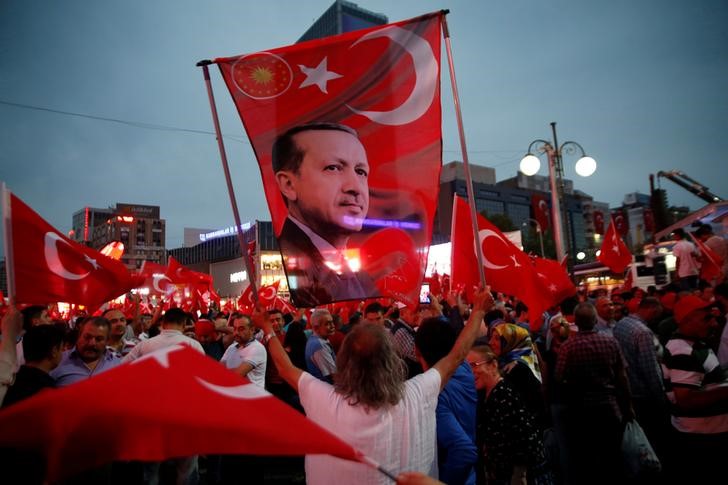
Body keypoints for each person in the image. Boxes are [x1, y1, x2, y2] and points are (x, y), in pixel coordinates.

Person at [256, 287, 494, 484]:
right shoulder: (419, 393)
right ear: (393, 362)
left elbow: (285, 368)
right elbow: (456, 355)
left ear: (344, 363)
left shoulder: (324, 398)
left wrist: (267, 329)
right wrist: (478, 312)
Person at [272, 122, 378, 306]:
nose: (354, 187)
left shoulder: (362, 279)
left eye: (361, 171)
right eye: (333, 168)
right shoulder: (291, 268)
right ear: (288, 184)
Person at [555, 302, 634, 485]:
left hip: (580, 408)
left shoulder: (568, 347)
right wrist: (628, 405)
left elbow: (559, 377)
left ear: (576, 321)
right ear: (594, 320)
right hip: (609, 405)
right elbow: (622, 376)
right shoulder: (610, 341)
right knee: (612, 451)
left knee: (587, 453)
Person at [661, 295, 728, 483]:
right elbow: (686, 399)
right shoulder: (682, 350)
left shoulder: (695, 344)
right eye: (707, 318)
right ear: (686, 321)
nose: (714, 323)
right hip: (701, 439)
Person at [467, 345, 552, 485]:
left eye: (474, 365)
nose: (470, 372)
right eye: (467, 367)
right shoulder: (487, 394)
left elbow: (524, 444)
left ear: (493, 365)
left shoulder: (504, 395)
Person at [415, 318, 477, 485]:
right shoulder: (464, 367)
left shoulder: (436, 397)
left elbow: (464, 450)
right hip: (471, 476)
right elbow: (458, 348)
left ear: (417, 352)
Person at [2, 324, 64, 407]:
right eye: (62, 349)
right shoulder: (46, 392)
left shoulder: (8, 380)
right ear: (54, 351)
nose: (63, 353)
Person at [51, 317, 121, 386]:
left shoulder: (116, 365)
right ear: (79, 335)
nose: (92, 343)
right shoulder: (58, 361)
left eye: (99, 339)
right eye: (87, 337)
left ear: (107, 341)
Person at [220, 314, 267, 389]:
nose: (236, 333)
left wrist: (221, 373)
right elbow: (219, 369)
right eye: (235, 329)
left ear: (252, 330)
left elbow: (237, 374)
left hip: (251, 398)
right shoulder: (231, 347)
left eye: (241, 329)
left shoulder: (257, 348)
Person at [304, 309, 337, 383]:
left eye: (332, 322)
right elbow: (334, 376)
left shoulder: (317, 339)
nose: (332, 326)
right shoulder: (319, 345)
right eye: (328, 324)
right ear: (316, 328)